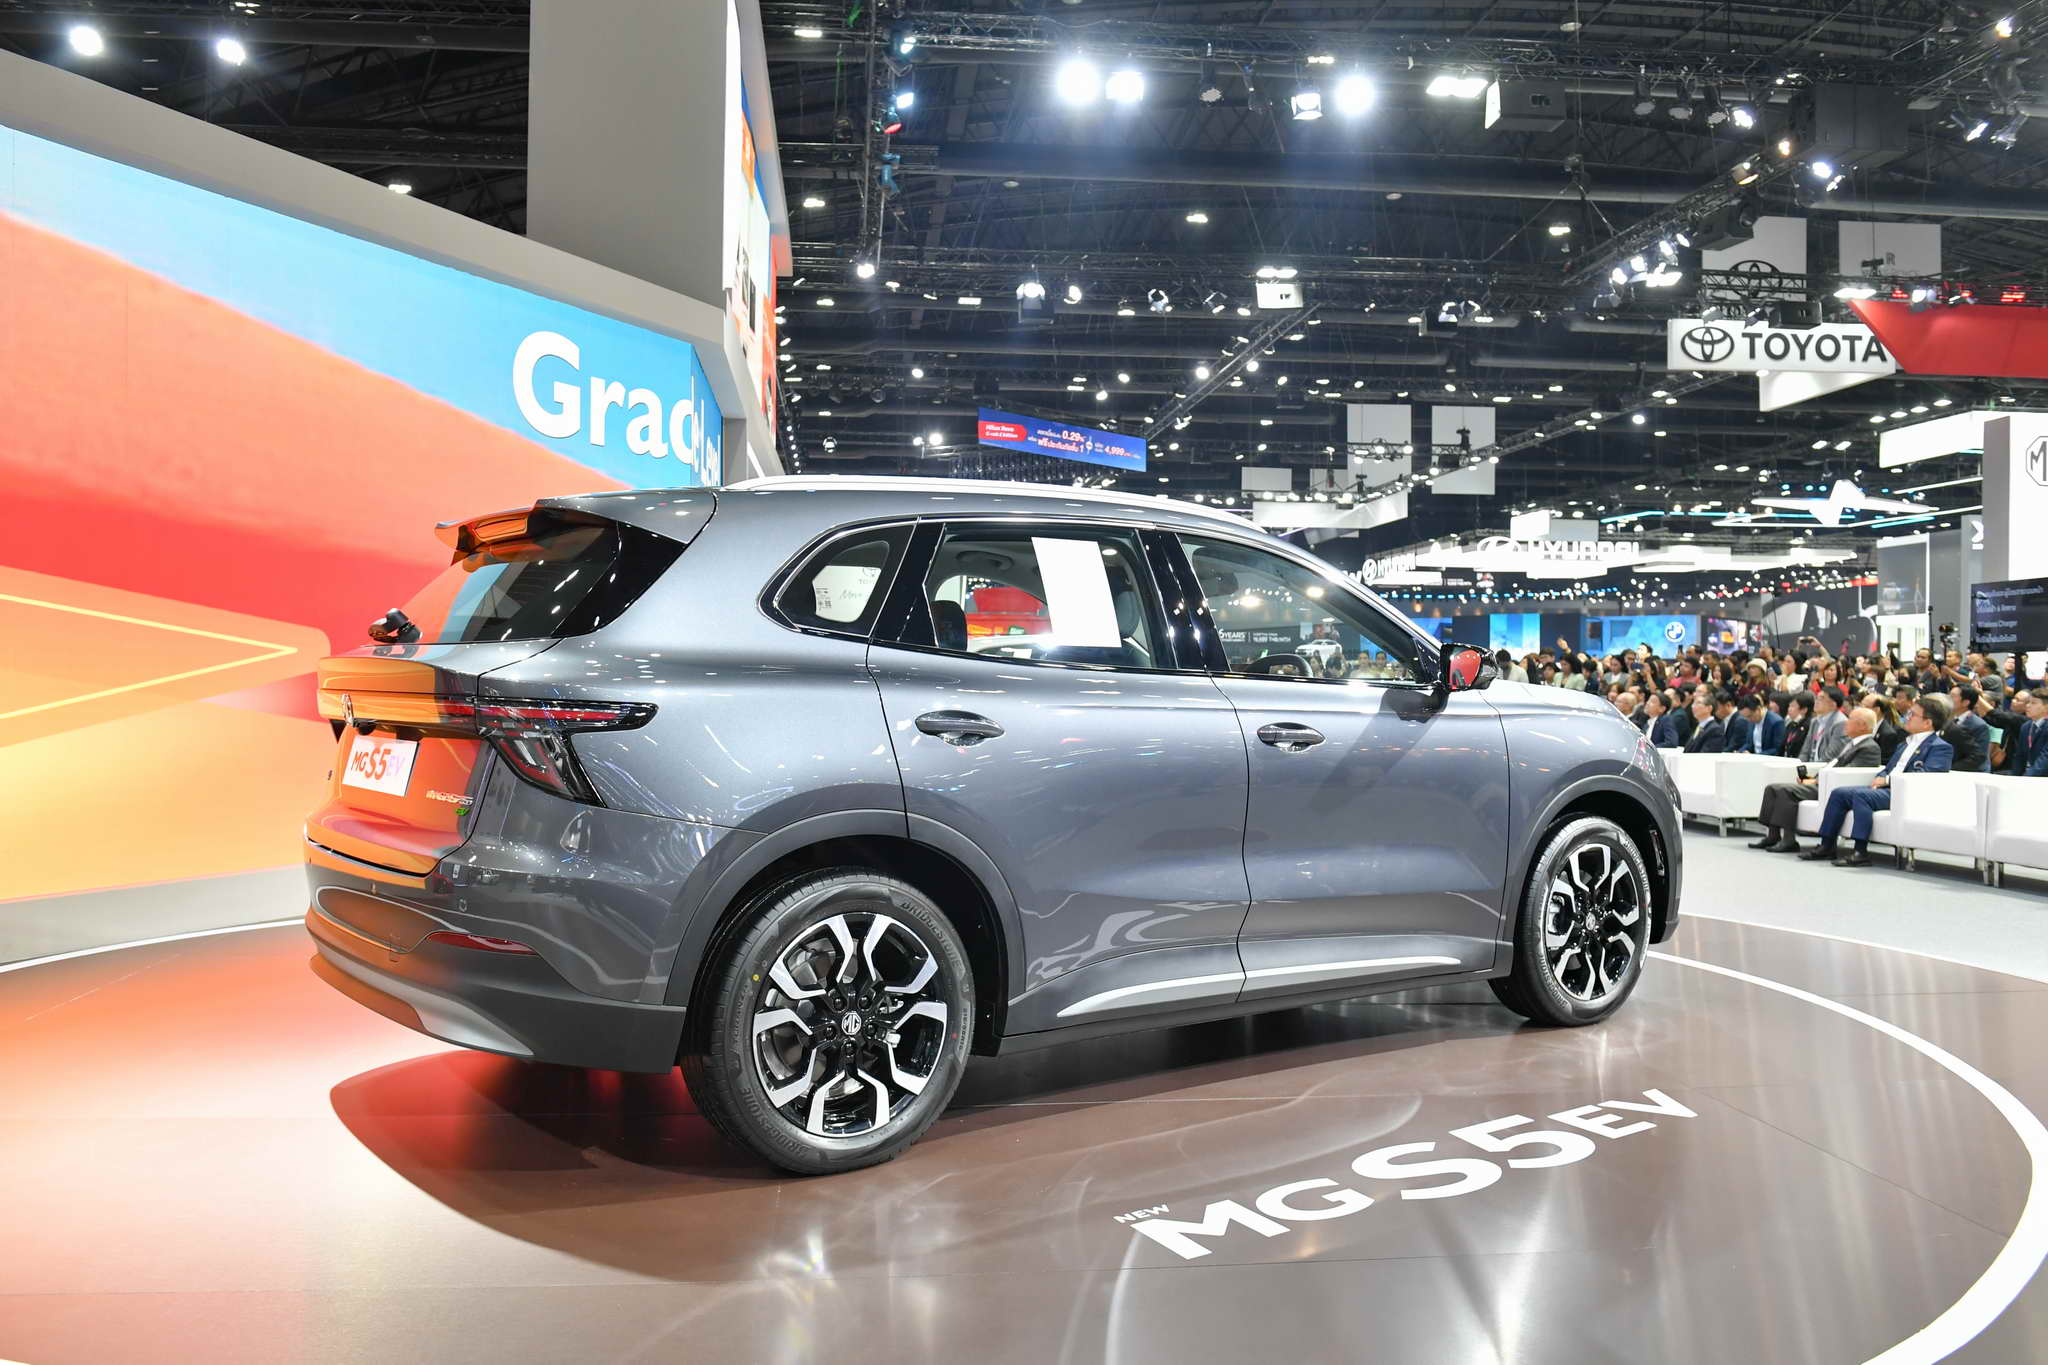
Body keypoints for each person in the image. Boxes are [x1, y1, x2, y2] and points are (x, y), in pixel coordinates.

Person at [1802, 696, 1955, 867]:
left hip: (1906, 794)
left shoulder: (1940, 747)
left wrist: (1887, 779)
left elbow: (1927, 777)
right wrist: (1880, 777)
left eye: (1913, 715)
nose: (1908, 717)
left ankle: (1860, 852)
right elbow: (1889, 768)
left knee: (1862, 796)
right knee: (1839, 793)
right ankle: (1827, 845)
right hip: (1888, 789)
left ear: (1927, 723)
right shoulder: (1905, 743)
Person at [1750, 707, 1884, 853]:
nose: (1846, 723)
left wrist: (1818, 781)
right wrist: (1813, 779)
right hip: (1825, 781)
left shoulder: (1870, 747)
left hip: (1833, 787)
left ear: (1862, 725)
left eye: (1850, 719)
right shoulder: (1851, 743)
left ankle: (1789, 840)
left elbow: (1849, 771)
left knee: (1785, 791)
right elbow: (1834, 764)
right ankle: (1773, 835)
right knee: (1772, 788)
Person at [1944, 684, 1992, 773]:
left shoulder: (1979, 725)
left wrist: (1950, 768)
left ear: (1965, 702)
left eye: (1953, 696)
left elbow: (1978, 757)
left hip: (1971, 772)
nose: (1948, 698)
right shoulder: (1947, 720)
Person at [1800, 685, 1849, 763]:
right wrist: (1801, 766)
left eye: (1821, 699)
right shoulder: (1815, 721)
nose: (1816, 701)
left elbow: (1831, 755)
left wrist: (1813, 768)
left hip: (1826, 768)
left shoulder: (1841, 723)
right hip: (1811, 766)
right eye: (1816, 698)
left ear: (1833, 704)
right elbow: (1805, 751)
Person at [1780, 692, 1812, 763]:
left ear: (1804, 710)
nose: (1789, 709)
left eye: (1792, 706)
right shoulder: (1791, 724)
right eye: (1789, 706)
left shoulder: (1808, 726)